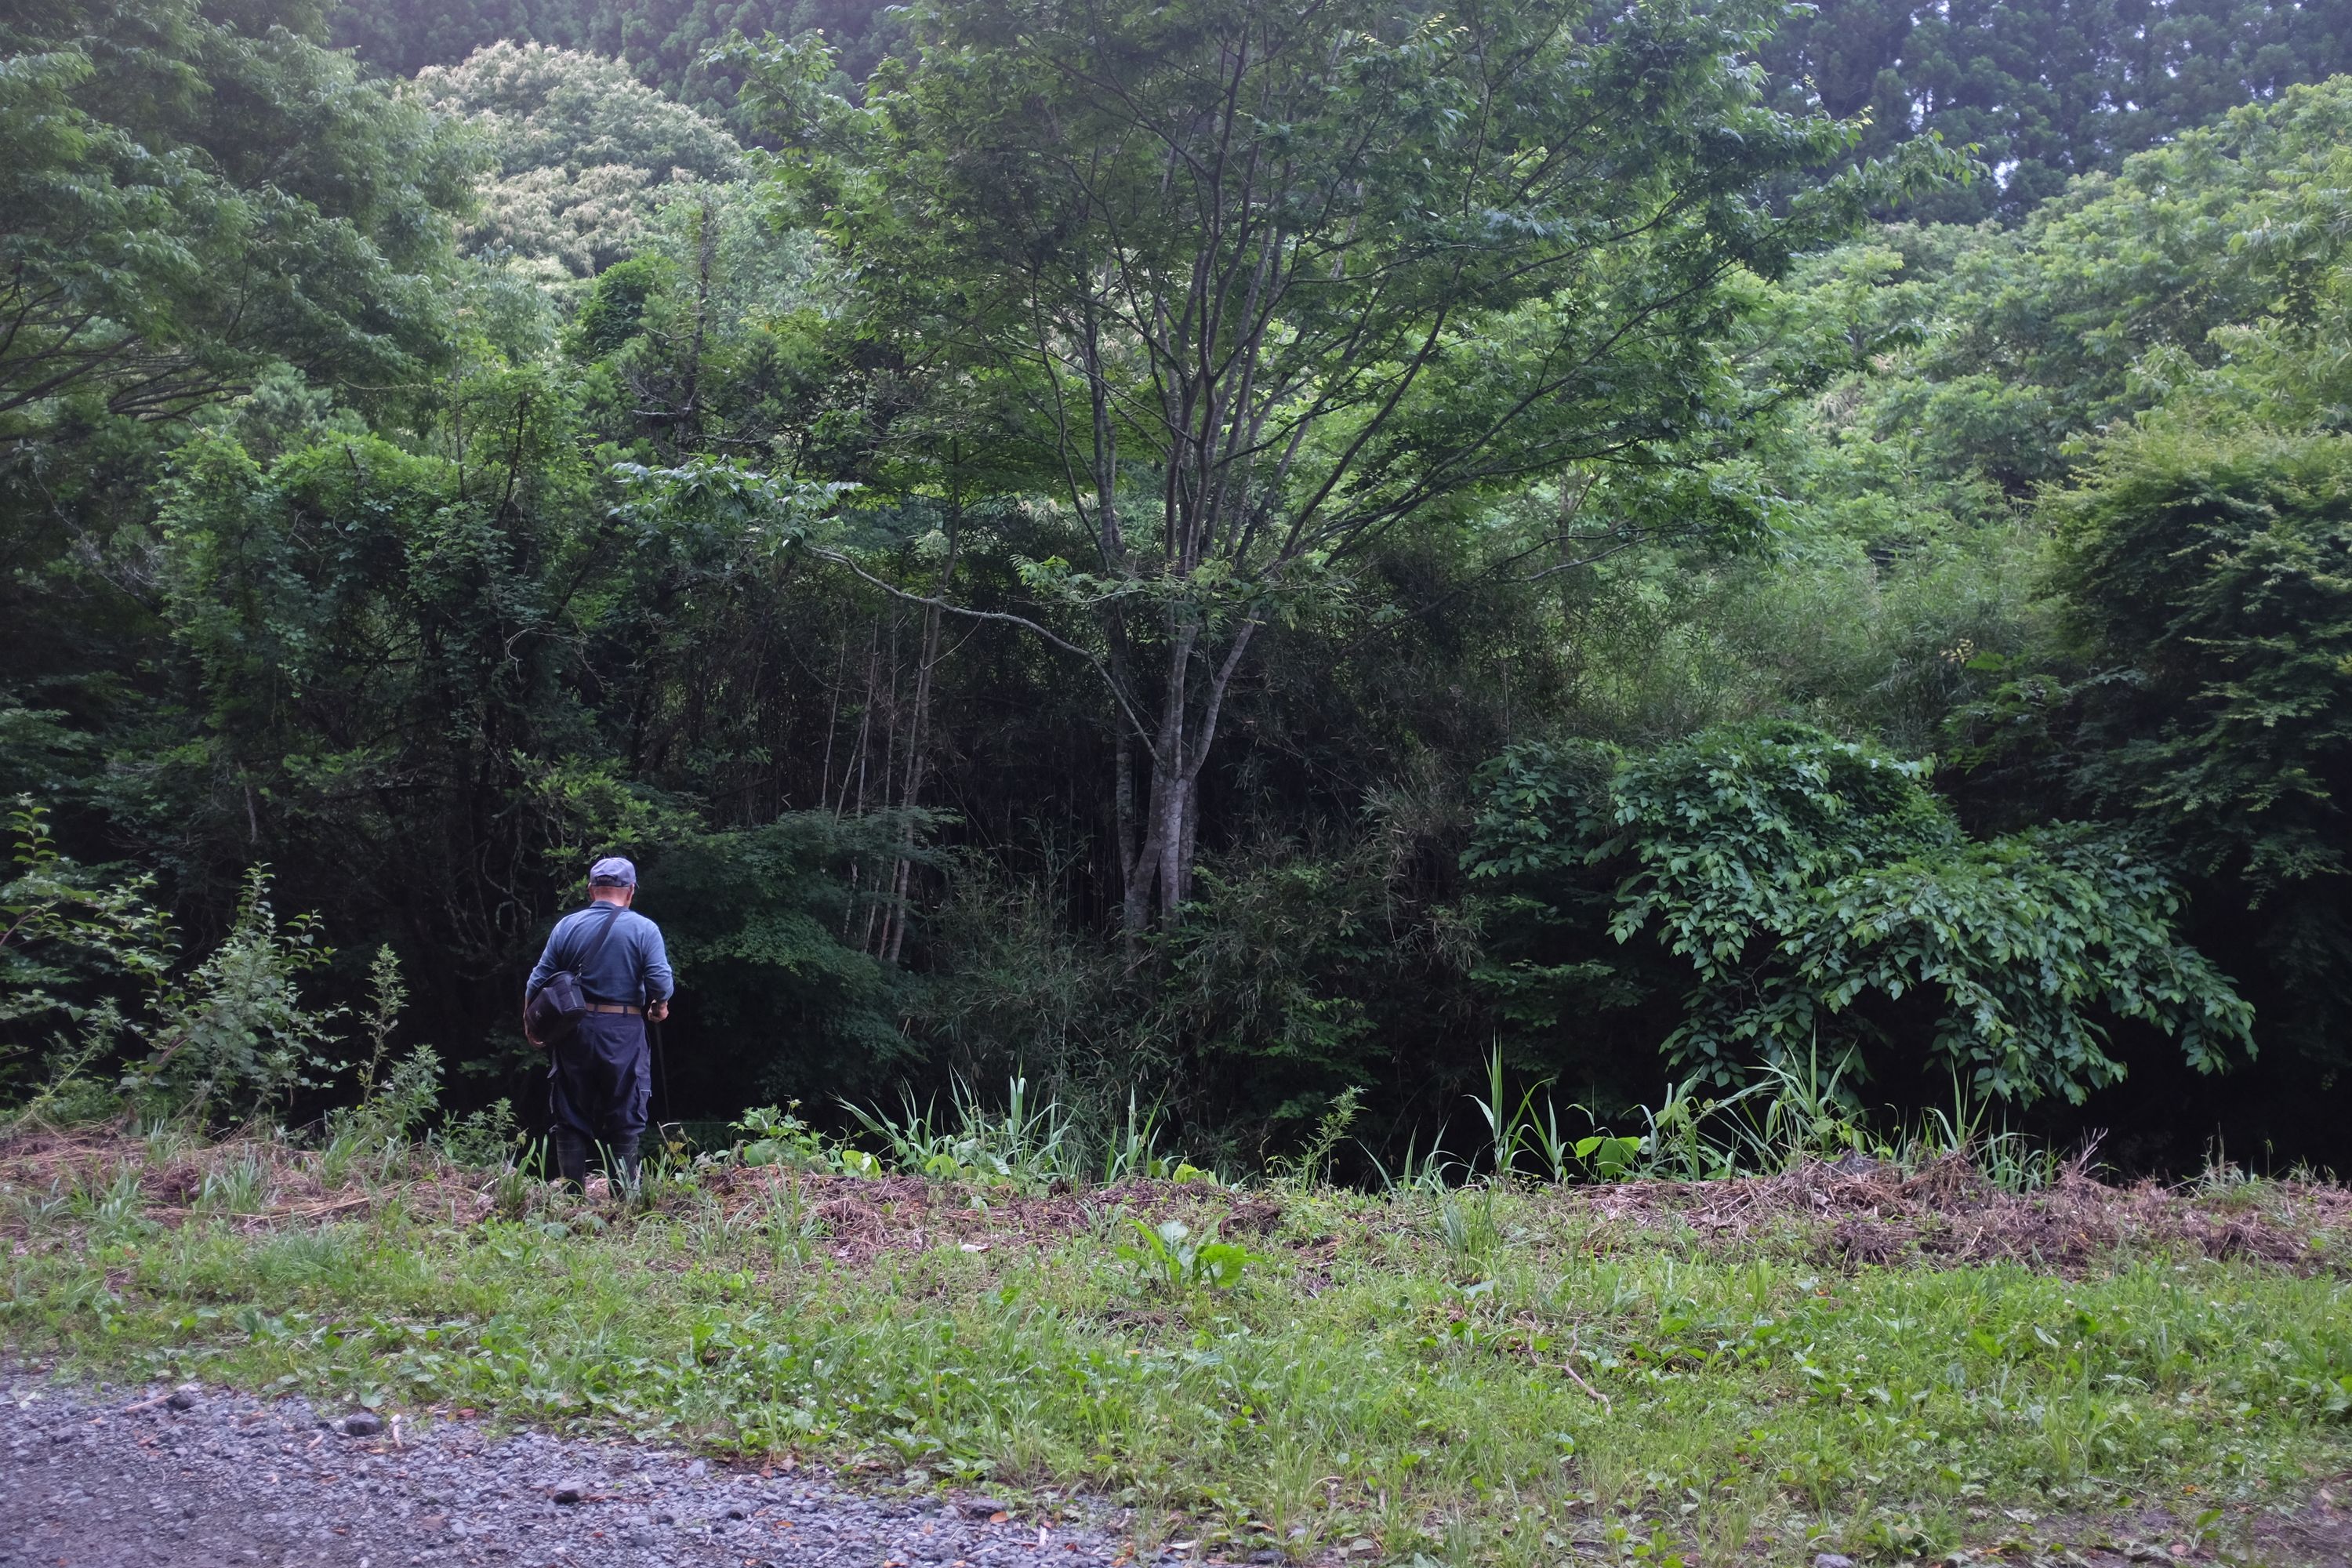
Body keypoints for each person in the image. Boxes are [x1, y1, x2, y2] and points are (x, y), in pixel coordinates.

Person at [525, 856, 673, 1193]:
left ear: (592, 891)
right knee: (626, 1112)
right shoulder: (643, 929)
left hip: (573, 1030)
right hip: (624, 1031)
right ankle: (625, 1202)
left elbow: (538, 980)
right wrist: (659, 1007)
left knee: (571, 1111)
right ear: (631, 891)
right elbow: (660, 982)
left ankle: (572, 1199)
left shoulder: (567, 926)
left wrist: (531, 1025)